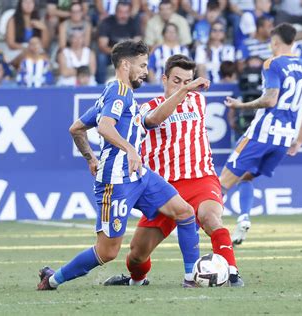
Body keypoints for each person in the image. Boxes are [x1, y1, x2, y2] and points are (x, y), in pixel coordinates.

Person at [37, 40, 200, 290]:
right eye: (142, 65)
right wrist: (130, 149)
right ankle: (53, 279)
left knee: (185, 212)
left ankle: (192, 279)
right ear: (125, 65)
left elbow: (77, 128)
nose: (146, 71)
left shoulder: (117, 93)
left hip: (139, 175)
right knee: (108, 251)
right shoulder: (119, 92)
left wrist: (91, 158)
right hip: (116, 181)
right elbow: (104, 127)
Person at [103, 54, 244, 287]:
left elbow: (187, 97)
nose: (183, 86)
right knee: (137, 253)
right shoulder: (146, 109)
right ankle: (137, 279)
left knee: (211, 218)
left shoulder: (198, 101)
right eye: (177, 81)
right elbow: (156, 119)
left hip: (201, 179)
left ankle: (232, 272)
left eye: (187, 81)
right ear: (164, 79)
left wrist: (188, 90)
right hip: (165, 190)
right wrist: (185, 90)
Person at [219, 23, 302, 245]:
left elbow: (270, 99)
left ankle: (192, 226)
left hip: (262, 133)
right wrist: (299, 139)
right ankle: (243, 217)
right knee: (247, 176)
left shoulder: (272, 63)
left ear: (275, 41)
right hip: (284, 138)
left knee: (222, 182)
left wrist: (240, 105)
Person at [96, 1, 141, 84]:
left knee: (140, 56)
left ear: (130, 12)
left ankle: (137, 82)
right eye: (121, 12)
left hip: (129, 55)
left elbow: (137, 44)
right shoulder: (107, 22)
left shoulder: (134, 23)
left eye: (126, 12)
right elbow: (102, 45)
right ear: (116, 12)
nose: (123, 15)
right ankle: (101, 84)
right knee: (101, 57)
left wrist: (126, 55)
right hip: (110, 54)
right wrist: (117, 53)